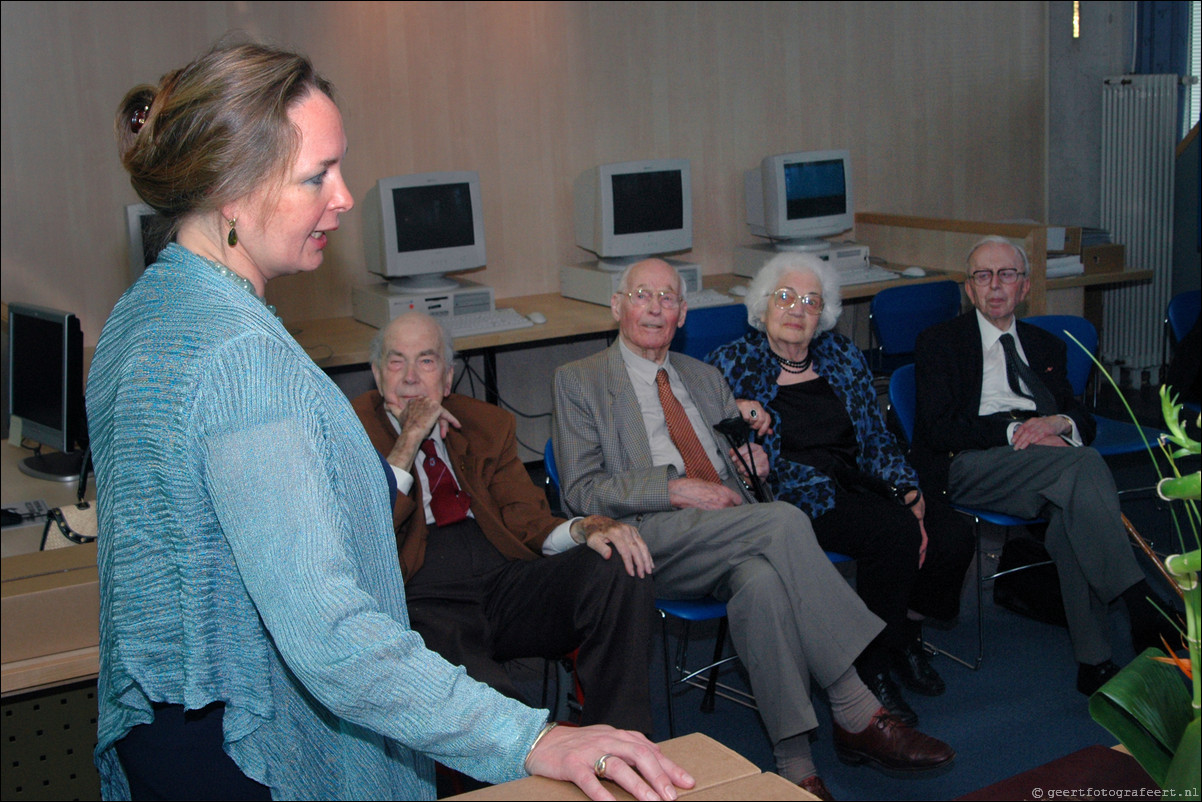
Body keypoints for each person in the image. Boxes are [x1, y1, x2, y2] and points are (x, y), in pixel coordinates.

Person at [88, 40, 691, 801]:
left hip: (170, 729)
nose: (343, 197)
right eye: (317, 176)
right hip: (247, 751)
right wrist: (533, 736)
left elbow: (264, 511)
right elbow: (332, 639)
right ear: (231, 190)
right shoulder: (242, 359)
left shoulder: (144, 314)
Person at [552, 257, 956, 799]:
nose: (654, 307)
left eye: (667, 297)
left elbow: (736, 468)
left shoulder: (704, 377)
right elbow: (580, 488)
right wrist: (672, 487)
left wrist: (751, 461)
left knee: (763, 584)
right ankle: (857, 706)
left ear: (682, 314)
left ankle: (796, 767)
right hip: (648, 536)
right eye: (642, 294)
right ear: (617, 306)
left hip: (730, 530)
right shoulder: (579, 380)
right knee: (785, 521)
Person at [352, 310, 656, 734]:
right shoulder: (350, 430)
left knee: (618, 561)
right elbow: (365, 530)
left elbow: (525, 518)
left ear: (447, 377)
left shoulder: (485, 424)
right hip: (424, 595)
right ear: (377, 373)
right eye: (395, 361)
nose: (409, 378)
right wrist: (409, 439)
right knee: (502, 715)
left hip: (503, 578)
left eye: (425, 360)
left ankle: (621, 740)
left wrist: (585, 527)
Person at [705, 252, 974, 728]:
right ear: (763, 305)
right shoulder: (730, 364)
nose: (797, 310)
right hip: (792, 492)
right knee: (892, 534)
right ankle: (870, 672)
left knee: (951, 531)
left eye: (811, 301)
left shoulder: (842, 356)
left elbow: (874, 437)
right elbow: (718, 442)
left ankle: (905, 635)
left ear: (824, 314)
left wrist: (907, 488)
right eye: (785, 297)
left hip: (858, 478)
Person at [911, 236, 1174, 696]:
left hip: (1048, 466)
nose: (995, 286)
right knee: (1081, 469)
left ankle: (1094, 663)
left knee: (1072, 510)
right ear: (968, 290)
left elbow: (1082, 419)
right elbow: (937, 428)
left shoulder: (1045, 345)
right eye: (983, 276)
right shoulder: (940, 342)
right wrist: (1016, 432)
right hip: (970, 464)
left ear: (1025, 287)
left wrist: (1057, 421)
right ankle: (1139, 599)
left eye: (1007, 275)